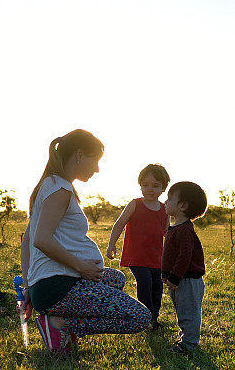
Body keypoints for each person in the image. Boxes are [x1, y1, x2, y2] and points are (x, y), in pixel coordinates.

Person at [20, 129, 151, 354]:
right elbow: (40, 239)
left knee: (114, 278)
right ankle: (60, 325)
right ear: (79, 155)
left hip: (52, 283)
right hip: (58, 285)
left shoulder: (50, 185)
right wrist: (81, 267)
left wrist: (29, 284)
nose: (97, 169)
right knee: (140, 317)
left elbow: (27, 241)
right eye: (96, 160)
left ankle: (59, 321)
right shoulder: (60, 188)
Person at [106, 164, 170, 329]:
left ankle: (153, 318)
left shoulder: (165, 209)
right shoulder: (135, 204)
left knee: (157, 286)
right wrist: (112, 243)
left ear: (163, 188)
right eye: (145, 185)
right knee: (145, 282)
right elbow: (119, 224)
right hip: (137, 256)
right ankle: (144, 317)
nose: (150, 189)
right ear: (140, 185)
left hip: (156, 257)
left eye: (155, 186)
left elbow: (167, 234)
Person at [161, 181, 208, 355]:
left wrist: (173, 277)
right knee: (182, 311)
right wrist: (165, 274)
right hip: (179, 279)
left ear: (182, 206)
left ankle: (188, 344)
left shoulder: (185, 230)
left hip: (187, 280)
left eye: (169, 199)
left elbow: (184, 257)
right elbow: (170, 255)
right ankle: (184, 338)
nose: (166, 202)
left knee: (189, 313)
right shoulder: (175, 228)